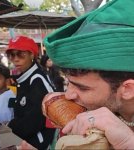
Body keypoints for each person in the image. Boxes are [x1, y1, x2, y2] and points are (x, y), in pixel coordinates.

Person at [43, 0, 134, 149]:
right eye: (69, 83)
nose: (68, 95)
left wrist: (129, 143)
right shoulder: (85, 113)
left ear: (128, 89)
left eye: (83, 88)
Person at [5, 35, 56, 149]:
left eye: (20, 54)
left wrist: (10, 127)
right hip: (24, 139)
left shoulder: (37, 79)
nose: (15, 59)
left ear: (32, 54)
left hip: (38, 144)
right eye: (11, 55)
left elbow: (37, 119)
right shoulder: (24, 79)